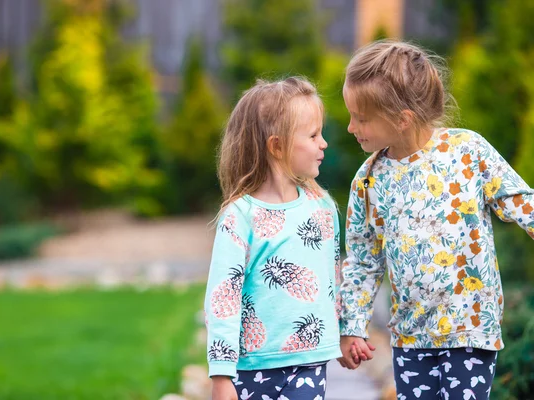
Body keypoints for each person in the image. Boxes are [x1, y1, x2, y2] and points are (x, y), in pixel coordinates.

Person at [337, 40, 534, 399]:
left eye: (361, 118)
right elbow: (363, 261)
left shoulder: (468, 152)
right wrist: (352, 325)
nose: (351, 127)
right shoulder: (369, 179)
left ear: (402, 118)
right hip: (410, 337)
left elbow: (521, 202)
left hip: (470, 328)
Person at [204, 77, 351, 400]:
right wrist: (221, 373)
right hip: (251, 368)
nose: (323, 143)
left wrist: (342, 333)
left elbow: (333, 277)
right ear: (277, 146)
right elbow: (223, 298)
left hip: (309, 363)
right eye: (313, 135)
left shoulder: (323, 208)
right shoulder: (240, 216)